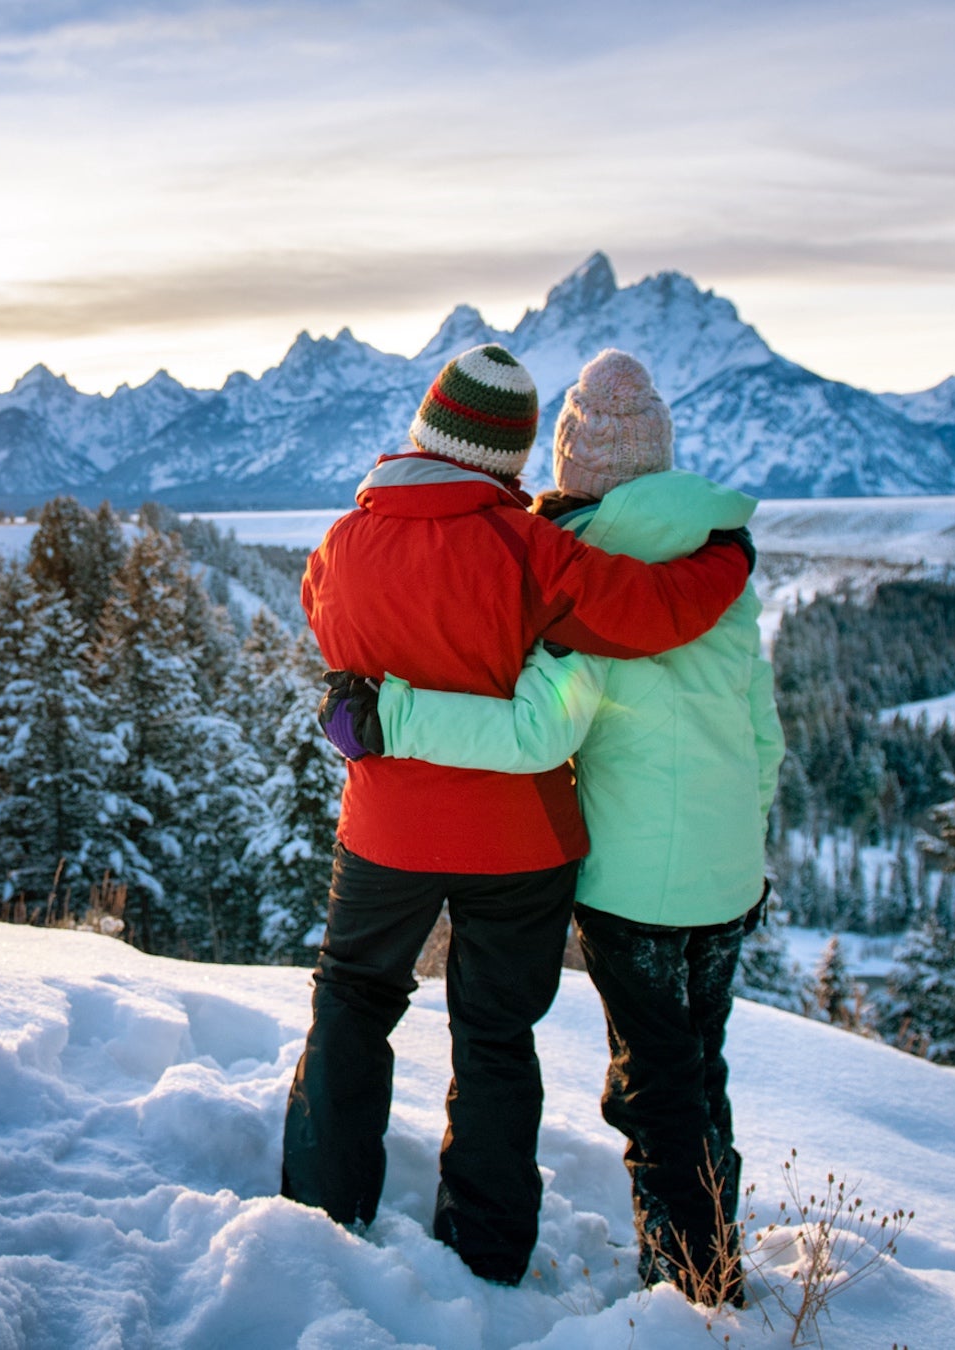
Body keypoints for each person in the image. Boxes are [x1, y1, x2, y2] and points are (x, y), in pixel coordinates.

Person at [285, 342, 756, 1287]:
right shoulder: (531, 549)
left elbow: (329, 631)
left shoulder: (341, 542)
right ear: (513, 456)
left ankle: (322, 1215)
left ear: (423, 433)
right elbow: (655, 610)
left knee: (350, 1004)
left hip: (386, 832)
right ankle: (489, 1247)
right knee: (494, 1035)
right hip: (519, 839)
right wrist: (729, 559)